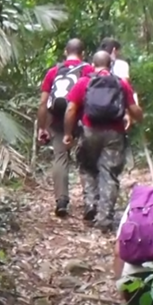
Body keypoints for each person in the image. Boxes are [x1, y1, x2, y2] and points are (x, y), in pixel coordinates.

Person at [63, 50, 143, 230]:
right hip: (114, 133)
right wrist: (138, 115)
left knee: (87, 167)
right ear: (110, 65)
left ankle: (91, 204)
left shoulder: (84, 82)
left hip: (89, 131)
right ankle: (105, 218)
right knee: (109, 173)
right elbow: (134, 110)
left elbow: (70, 110)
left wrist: (68, 133)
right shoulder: (121, 84)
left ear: (93, 64)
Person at [37, 38, 93, 217]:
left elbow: (43, 103)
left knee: (60, 158)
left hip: (58, 121)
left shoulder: (54, 71)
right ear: (82, 53)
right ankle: (90, 202)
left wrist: (42, 127)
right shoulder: (88, 70)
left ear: (65, 52)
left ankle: (61, 200)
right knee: (86, 160)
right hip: (82, 120)